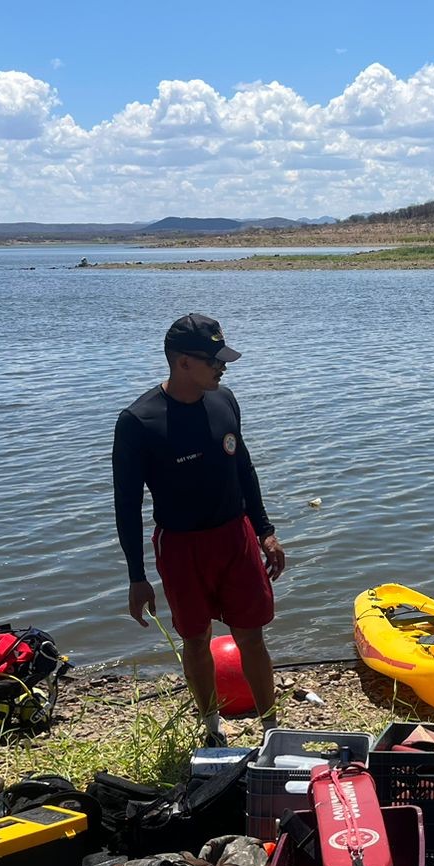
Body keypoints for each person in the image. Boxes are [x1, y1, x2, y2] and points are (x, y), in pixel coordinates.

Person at [111, 313, 287, 746]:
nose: (222, 367)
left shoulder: (224, 400)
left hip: (235, 537)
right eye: (213, 360)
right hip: (181, 547)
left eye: (222, 359)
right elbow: (127, 506)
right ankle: (212, 727)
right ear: (182, 362)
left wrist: (264, 530)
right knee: (196, 638)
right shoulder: (138, 421)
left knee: (252, 634)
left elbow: (243, 469)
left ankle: (270, 727)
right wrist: (137, 577)